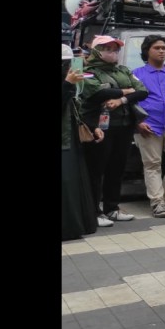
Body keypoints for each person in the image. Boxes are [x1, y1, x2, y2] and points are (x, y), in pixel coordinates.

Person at [78, 35, 150, 226]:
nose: (112, 52)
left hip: (124, 126)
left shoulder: (124, 70)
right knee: (96, 170)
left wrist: (121, 99)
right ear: (96, 51)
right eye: (107, 49)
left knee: (116, 169)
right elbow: (97, 93)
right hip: (99, 128)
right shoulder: (87, 71)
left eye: (115, 49)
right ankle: (94, 211)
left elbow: (142, 91)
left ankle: (112, 208)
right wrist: (126, 90)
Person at [132, 34, 165, 218]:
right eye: (157, 48)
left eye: (164, 48)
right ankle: (157, 203)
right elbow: (130, 103)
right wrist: (138, 123)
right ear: (147, 51)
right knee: (152, 165)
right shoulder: (136, 74)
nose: (162, 51)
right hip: (148, 127)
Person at [63, 44, 99, 241]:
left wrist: (92, 127)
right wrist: (67, 85)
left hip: (71, 141)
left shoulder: (72, 84)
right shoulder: (67, 83)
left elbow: (76, 109)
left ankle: (76, 225)